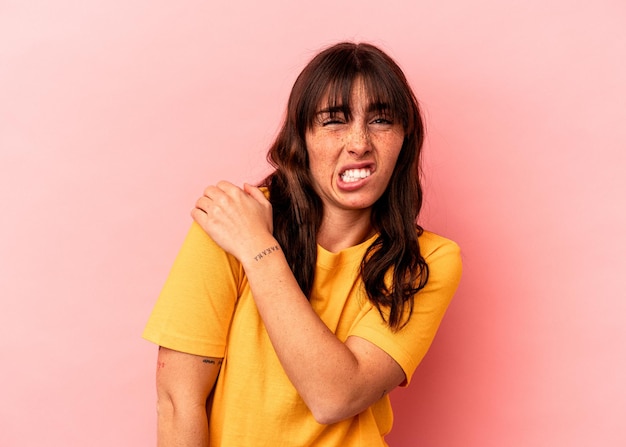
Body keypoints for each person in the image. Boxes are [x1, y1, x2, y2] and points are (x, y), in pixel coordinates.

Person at [143, 41, 462, 446]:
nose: (359, 143)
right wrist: (252, 236)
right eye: (334, 121)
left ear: (404, 139)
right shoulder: (230, 223)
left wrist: (259, 249)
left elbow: (335, 396)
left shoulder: (427, 260)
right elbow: (177, 401)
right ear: (302, 137)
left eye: (381, 120)